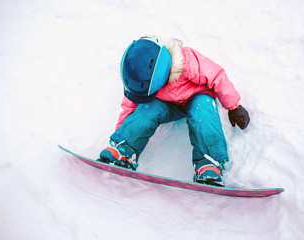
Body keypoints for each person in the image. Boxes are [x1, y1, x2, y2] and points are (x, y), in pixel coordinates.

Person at [97, 35, 250, 187]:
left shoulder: (187, 61)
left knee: (202, 113)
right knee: (147, 109)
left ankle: (209, 163)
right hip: (167, 104)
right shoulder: (141, 83)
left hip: (196, 97)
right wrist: (124, 133)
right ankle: (123, 149)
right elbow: (131, 107)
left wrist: (234, 106)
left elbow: (216, 76)